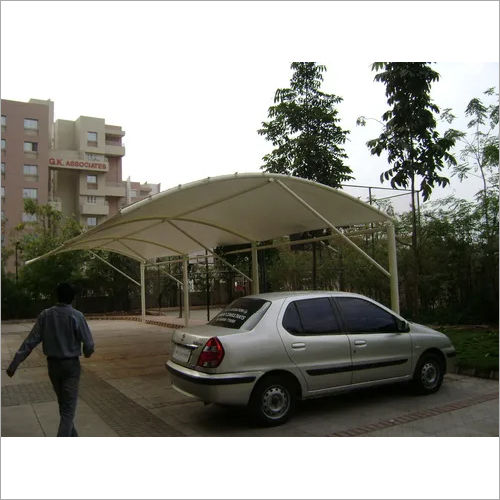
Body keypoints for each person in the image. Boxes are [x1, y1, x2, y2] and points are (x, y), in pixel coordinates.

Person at [6, 282, 94, 437]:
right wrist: (87, 353)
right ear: (72, 298)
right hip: (71, 367)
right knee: (68, 411)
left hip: (53, 366)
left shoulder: (45, 315)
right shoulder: (77, 316)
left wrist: (15, 363)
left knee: (64, 407)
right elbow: (89, 344)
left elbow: (30, 341)